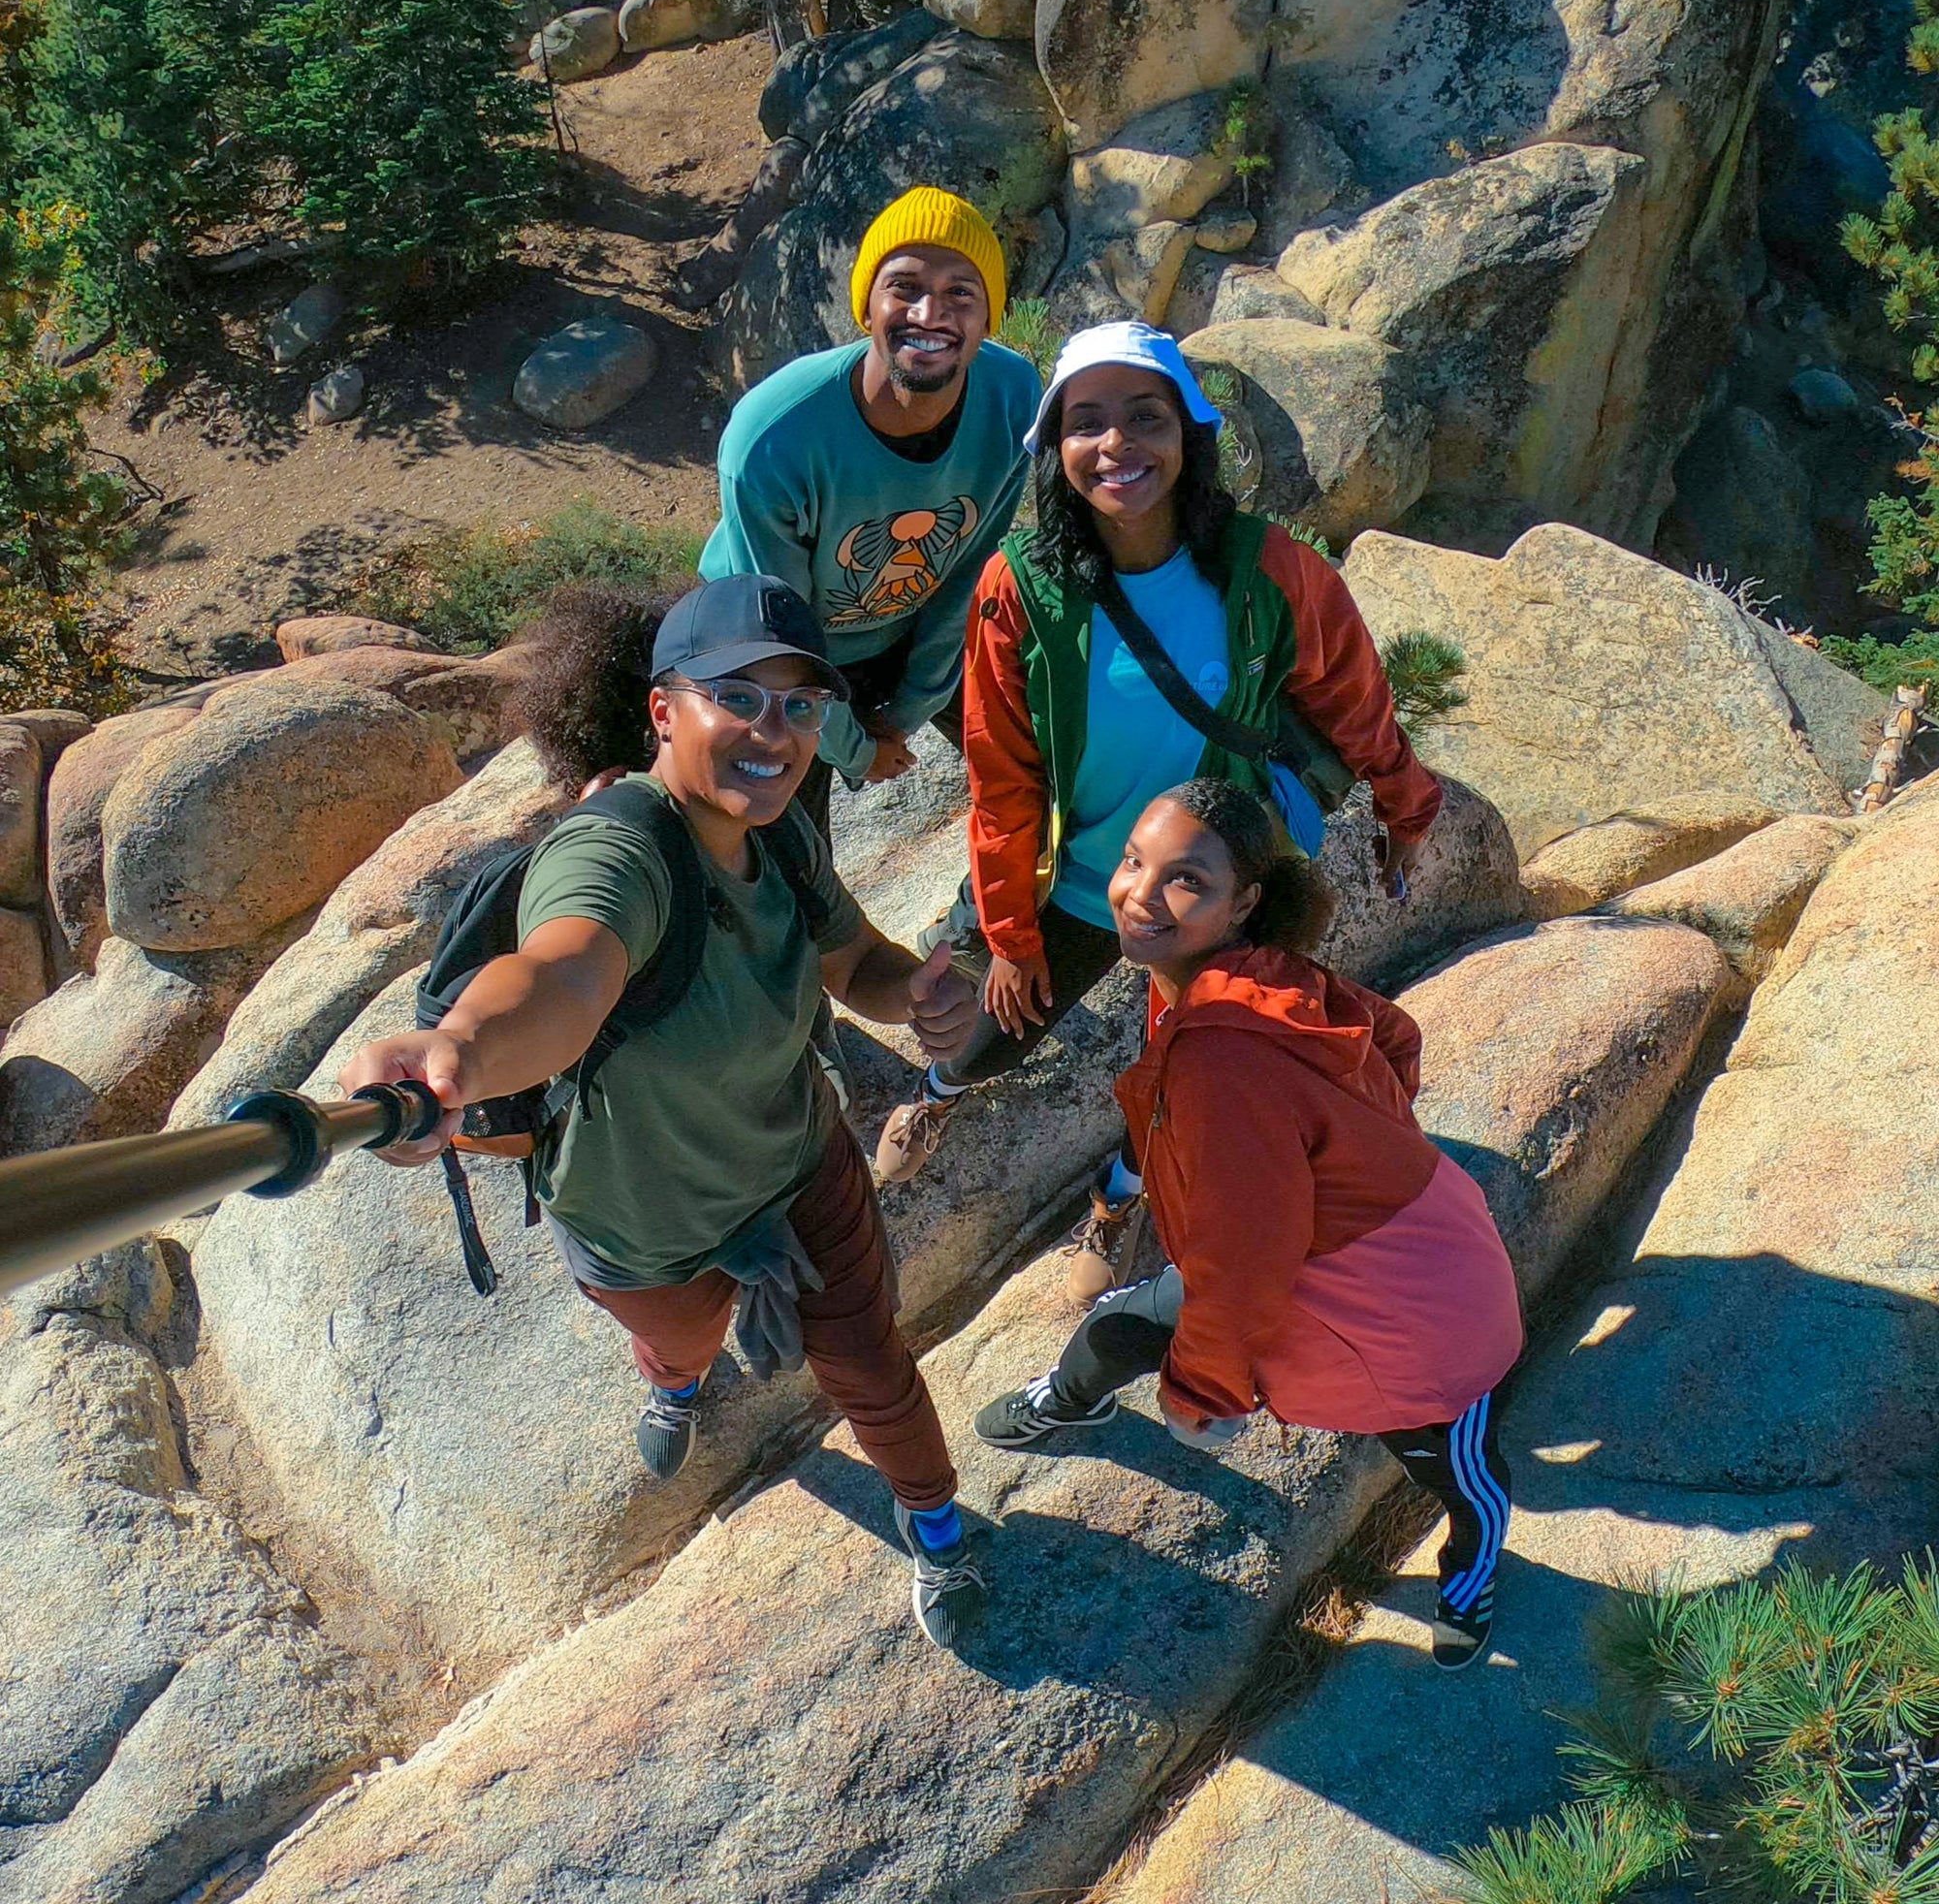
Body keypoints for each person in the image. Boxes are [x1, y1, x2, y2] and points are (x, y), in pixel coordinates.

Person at [337, 574, 989, 1648]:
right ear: (662, 709)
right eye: (736, 695)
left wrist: (912, 992)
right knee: (679, 1342)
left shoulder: (779, 837)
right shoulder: (617, 849)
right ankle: (678, 1383)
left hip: (798, 1163)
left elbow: (854, 960)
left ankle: (935, 1521)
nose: (773, 730)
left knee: (873, 1368)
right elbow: (564, 973)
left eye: (799, 704)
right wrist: (462, 1048)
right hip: (642, 1220)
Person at [873, 320, 1445, 1312]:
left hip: (1206, 886)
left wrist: (1406, 800)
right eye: (1086, 422)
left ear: (1189, 434)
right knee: (990, 1029)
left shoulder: (1267, 568)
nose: (1116, 444)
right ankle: (938, 1094)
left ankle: (1120, 1193)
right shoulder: (1024, 585)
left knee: (1190, 1066)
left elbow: (1352, 694)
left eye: (1145, 417)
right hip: (1079, 871)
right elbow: (1001, 773)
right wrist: (1009, 933)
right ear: (1053, 448)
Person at [973, 778, 1523, 1669]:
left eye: (1186, 880)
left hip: (1414, 1308)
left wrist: (1203, 1394)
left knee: (1457, 1463)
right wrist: (1353, 1143)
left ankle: (1472, 1564)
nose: (1141, 894)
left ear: (1244, 902)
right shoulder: (1238, 975)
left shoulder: (1224, 1048)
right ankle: (1068, 1399)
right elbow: (1391, 1037)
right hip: (1324, 1251)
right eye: (1134, 861)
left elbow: (1242, 1266)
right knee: (1119, 1328)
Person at [699, 185, 1040, 844]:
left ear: (988, 317)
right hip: (768, 648)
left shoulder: (1012, 395)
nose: (930, 313)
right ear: (866, 305)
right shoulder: (774, 437)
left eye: (960, 293)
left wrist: (909, 710)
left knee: (1047, 759)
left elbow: (969, 570)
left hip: (910, 632)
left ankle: (1003, 909)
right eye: (904, 287)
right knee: (779, 856)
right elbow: (779, 632)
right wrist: (856, 749)